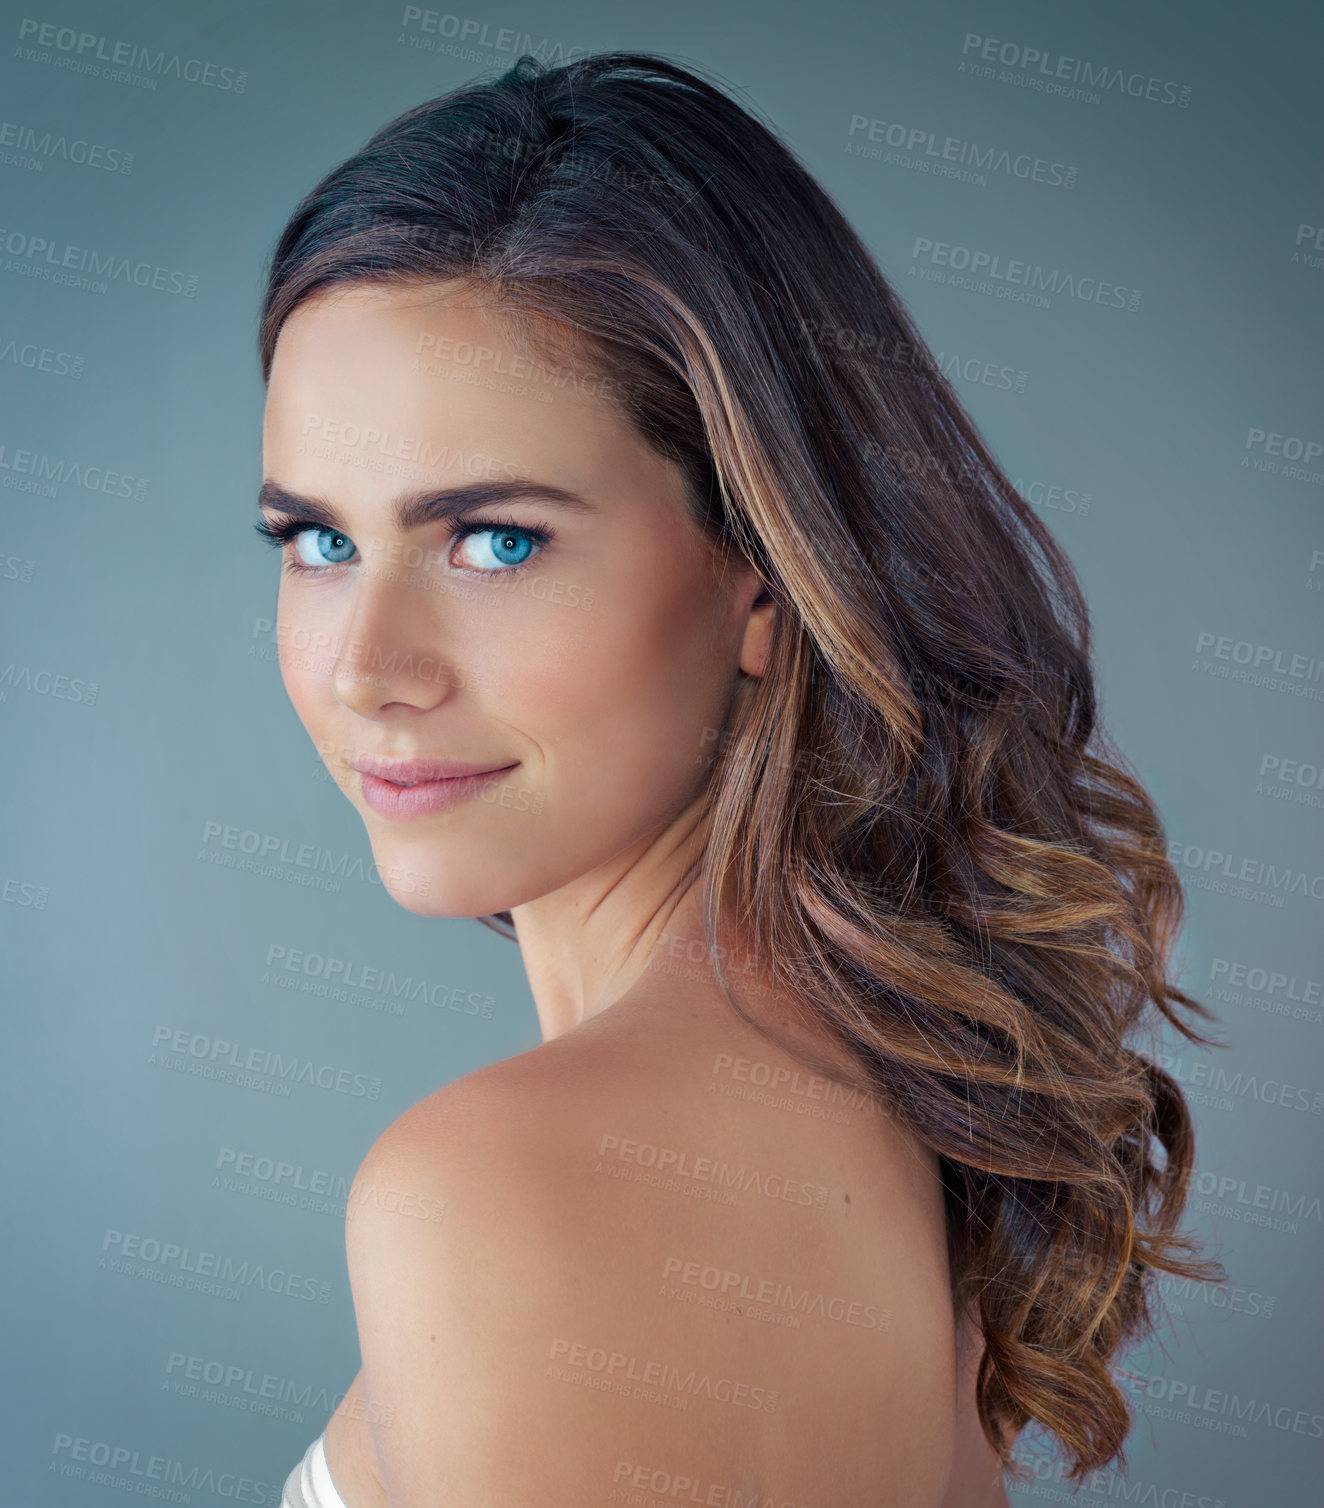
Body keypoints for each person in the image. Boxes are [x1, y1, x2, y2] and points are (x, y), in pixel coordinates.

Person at [258, 50, 1223, 1508]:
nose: (367, 668)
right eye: (319, 541)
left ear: (764, 582)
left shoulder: (507, 1185)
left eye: (495, 540)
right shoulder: (884, 1126)